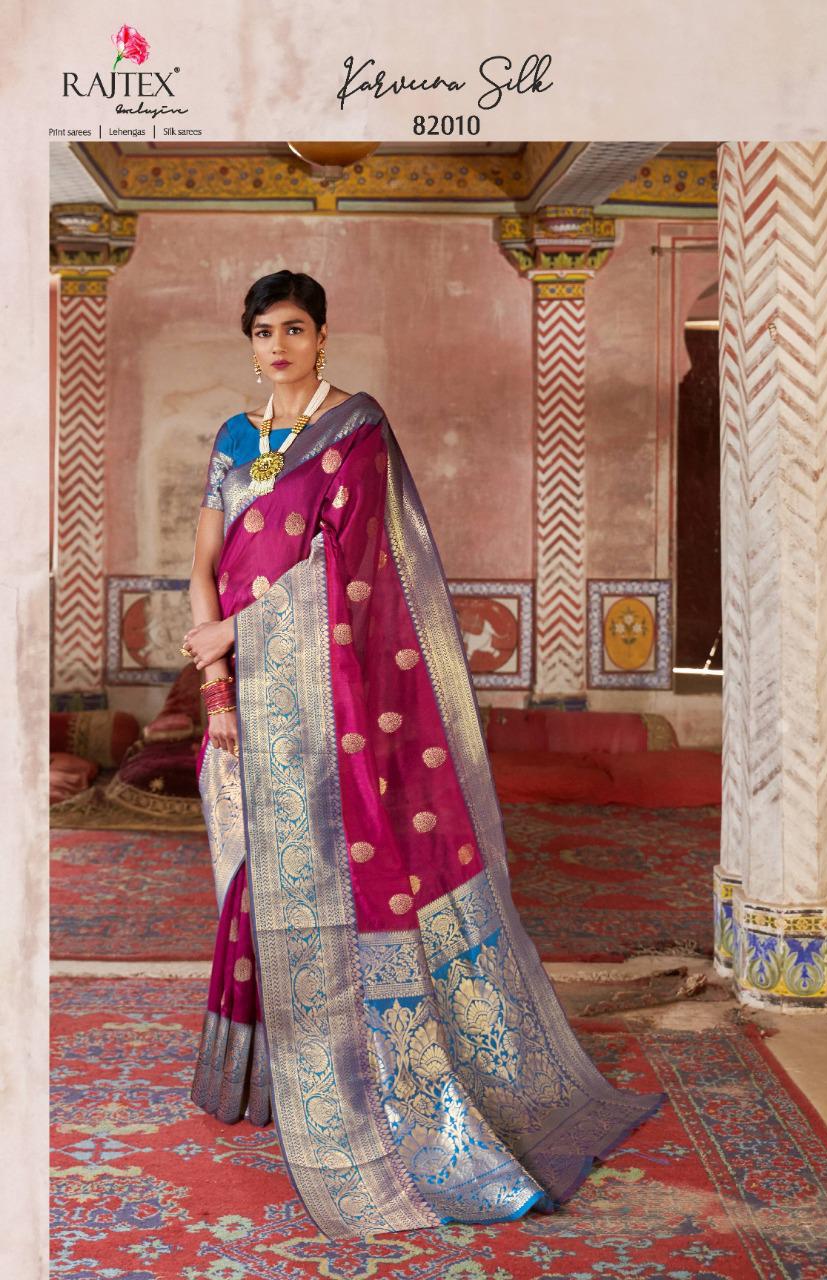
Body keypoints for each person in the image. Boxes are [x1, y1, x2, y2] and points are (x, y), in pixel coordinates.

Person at [183, 269, 665, 1240]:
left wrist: (236, 633)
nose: (278, 346)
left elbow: (349, 571)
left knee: (335, 868)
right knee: (257, 869)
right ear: (249, 343)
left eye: (294, 329)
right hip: (245, 693)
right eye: (264, 331)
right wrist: (216, 681)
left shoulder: (354, 430)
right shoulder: (234, 439)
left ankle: (358, 1076)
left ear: (322, 336)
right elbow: (203, 565)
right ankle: (272, 1071)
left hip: (329, 698)